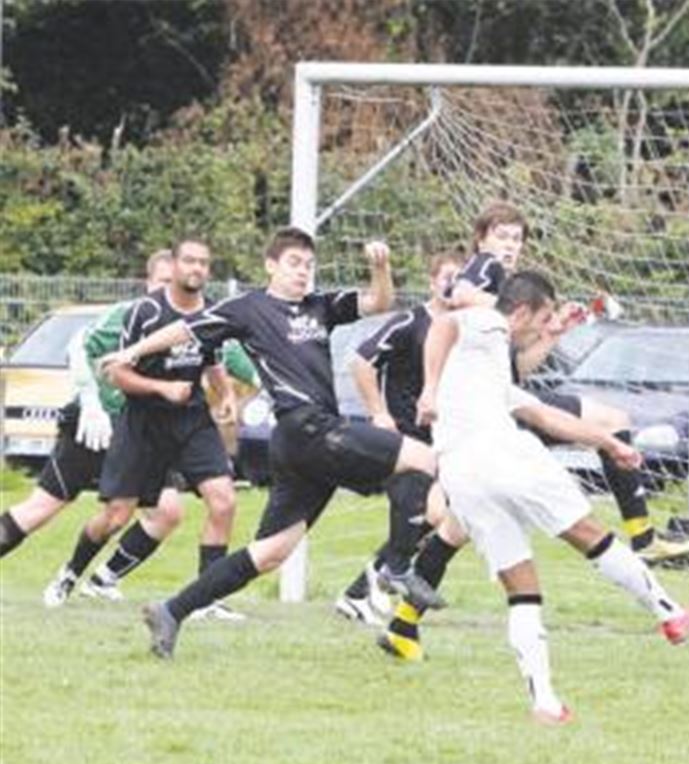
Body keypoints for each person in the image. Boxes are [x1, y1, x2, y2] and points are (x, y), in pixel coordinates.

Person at [101, 226, 444, 659]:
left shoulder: (321, 307)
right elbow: (187, 330)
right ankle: (395, 567)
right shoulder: (249, 308)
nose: (303, 273)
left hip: (306, 443)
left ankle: (172, 611)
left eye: (308, 265)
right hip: (306, 428)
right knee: (422, 458)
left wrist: (381, 268)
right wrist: (133, 353)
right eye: (294, 264)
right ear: (271, 266)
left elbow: (379, 301)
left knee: (270, 554)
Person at [413, 270, 689, 724]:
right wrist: (428, 388)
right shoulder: (491, 324)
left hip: (463, 477)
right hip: (503, 454)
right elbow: (444, 325)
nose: (542, 328)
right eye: (543, 317)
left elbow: (547, 416)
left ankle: (545, 703)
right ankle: (669, 614)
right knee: (592, 536)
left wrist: (609, 443)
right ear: (523, 312)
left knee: (523, 590)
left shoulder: (485, 373)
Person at [449, 201, 689, 566]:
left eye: (516, 238)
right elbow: (458, 296)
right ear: (480, 239)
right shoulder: (485, 267)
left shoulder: (507, 292)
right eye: (501, 236)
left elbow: (518, 369)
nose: (509, 245)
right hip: (484, 412)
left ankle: (643, 538)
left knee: (613, 420)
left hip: (506, 400)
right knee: (450, 517)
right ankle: (382, 579)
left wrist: (552, 333)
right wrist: (517, 308)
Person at [38, 239, 250, 617]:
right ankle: (70, 574)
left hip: (191, 420)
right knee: (116, 516)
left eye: (203, 262)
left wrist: (226, 394)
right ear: (175, 264)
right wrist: (161, 388)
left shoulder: (213, 315)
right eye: (189, 261)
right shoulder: (145, 313)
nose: (196, 268)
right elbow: (117, 373)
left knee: (224, 500)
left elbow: (213, 361)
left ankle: (205, 599)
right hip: (142, 423)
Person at [0, 254, 192, 577]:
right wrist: (91, 402)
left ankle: (102, 580)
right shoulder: (124, 315)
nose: (167, 289)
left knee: (168, 511)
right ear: (148, 283)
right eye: (162, 281)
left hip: (143, 432)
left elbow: (230, 358)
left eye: (174, 282)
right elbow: (77, 348)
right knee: (41, 509)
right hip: (94, 426)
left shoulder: (187, 327)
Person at [334, 250, 463, 627]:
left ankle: (360, 591)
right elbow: (360, 361)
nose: (453, 284)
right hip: (407, 441)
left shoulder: (462, 327)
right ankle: (368, 589)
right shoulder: (410, 321)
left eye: (460, 277)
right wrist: (379, 412)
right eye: (447, 276)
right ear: (432, 281)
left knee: (435, 520)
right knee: (433, 517)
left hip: (443, 441)